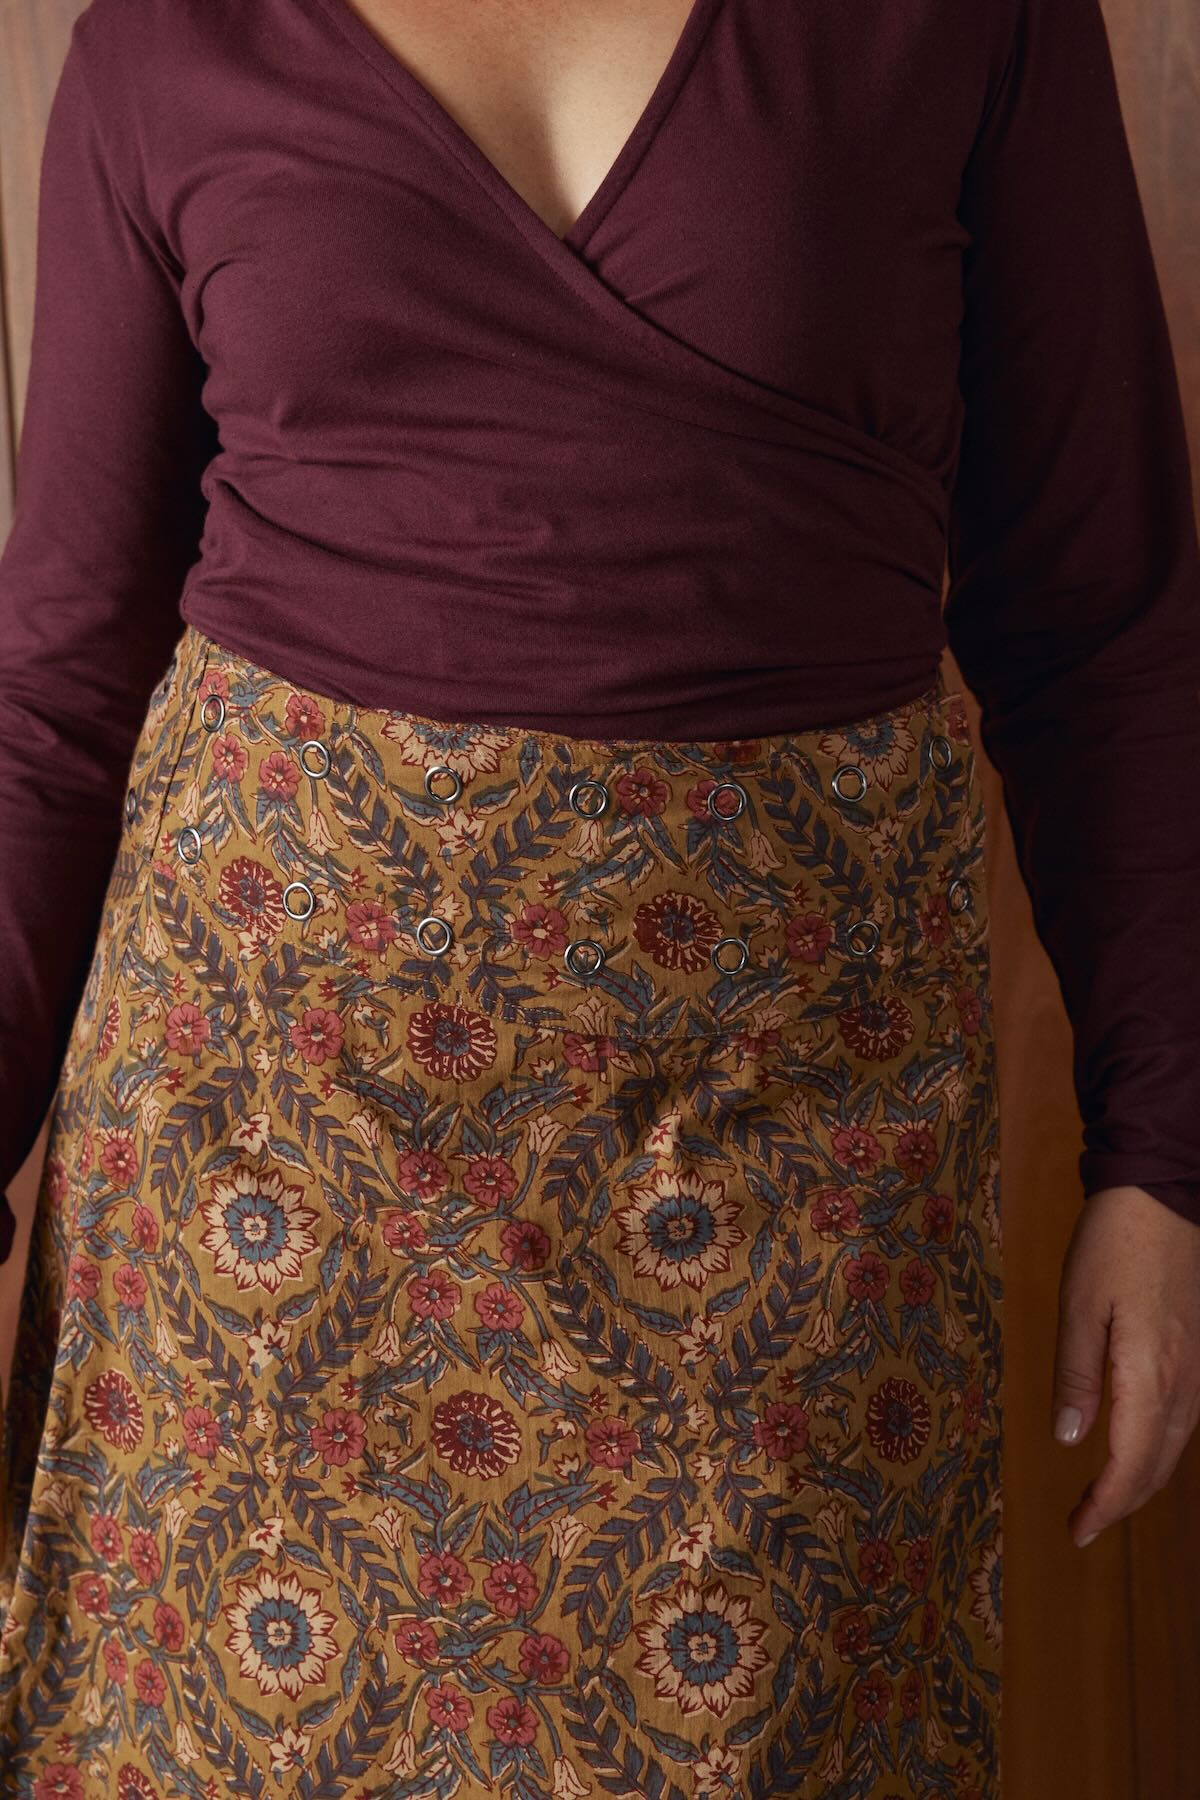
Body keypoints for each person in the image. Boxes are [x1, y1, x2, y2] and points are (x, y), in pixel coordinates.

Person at [0, 0, 1197, 1793]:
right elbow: (55, 684)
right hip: (267, 1174)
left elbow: (1104, 628)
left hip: (789, 1164)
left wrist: (1165, 1157)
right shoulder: (167, 41)